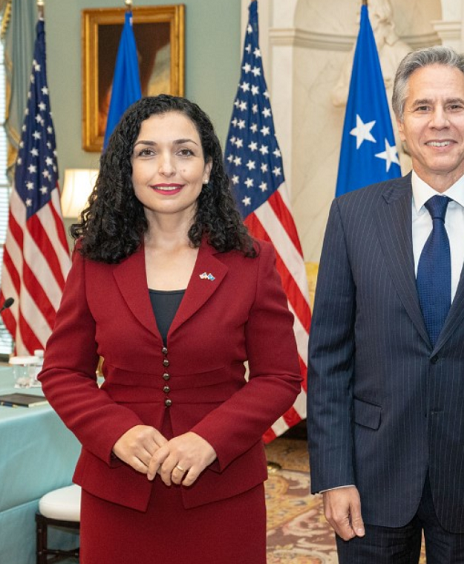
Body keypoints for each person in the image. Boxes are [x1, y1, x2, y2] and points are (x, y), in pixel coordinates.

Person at [308, 46, 464, 564]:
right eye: (422, 107)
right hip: (371, 476)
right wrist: (333, 475)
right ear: (401, 124)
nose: (439, 121)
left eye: (455, 106)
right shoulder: (352, 217)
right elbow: (329, 360)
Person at [38, 94, 303, 564]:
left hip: (220, 490)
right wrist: (117, 432)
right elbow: (62, 372)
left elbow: (279, 376)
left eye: (184, 151)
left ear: (207, 168)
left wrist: (210, 439)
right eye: (148, 152)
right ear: (127, 168)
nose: (167, 168)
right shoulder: (93, 259)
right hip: (118, 491)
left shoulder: (251, 261)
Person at [332, 0, 414, 173]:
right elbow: (337, 97)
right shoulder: (355, 56)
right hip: (361, 139)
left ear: (379, 17)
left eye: (362, 14)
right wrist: (363, 88)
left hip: (393, 139)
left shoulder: (402, 53)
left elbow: (419, 97)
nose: (357, 20)